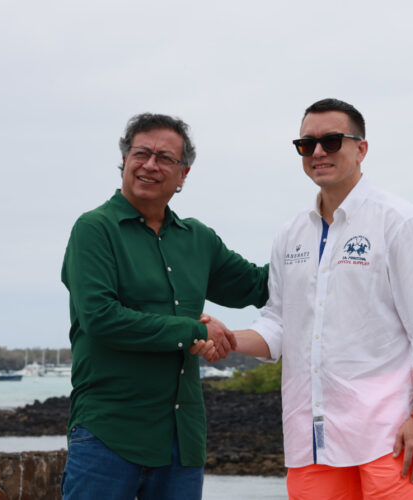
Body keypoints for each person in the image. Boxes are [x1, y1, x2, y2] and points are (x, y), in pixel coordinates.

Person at [196, 98, 413, 499]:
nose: (318, 152)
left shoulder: (401, 223)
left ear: (361, 148)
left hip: (390, 438)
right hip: (311, 442)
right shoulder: (290, 234)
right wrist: (227, 337)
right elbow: (279, 324)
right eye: (307, 144)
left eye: (331, 141)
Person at [60, 113, 268, 500]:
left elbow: (259, 285)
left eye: (165, 158)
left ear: (183, 174)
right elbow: (102, 319)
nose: (150, 165)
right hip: (108, 435)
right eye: (141, 153)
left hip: (181, 441)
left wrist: (326, 247)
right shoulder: (94, 229)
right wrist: (196, 329)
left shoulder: (198, 239)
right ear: (124, 161)